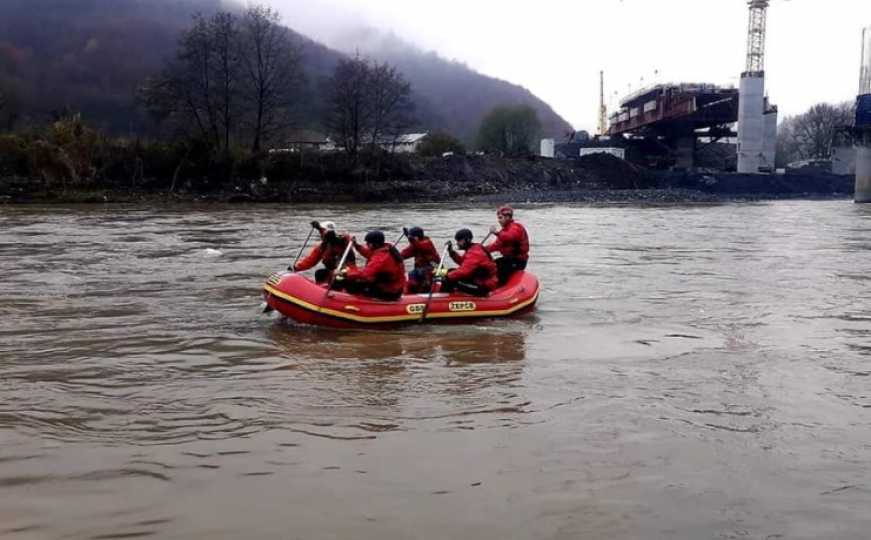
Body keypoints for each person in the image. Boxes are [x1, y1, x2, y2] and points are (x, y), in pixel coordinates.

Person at [336, 230, 406, 301]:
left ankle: (355, 302)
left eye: (368, 243)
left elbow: (365, 274)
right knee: (356, 279)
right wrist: (356, 245)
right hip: (389, 285)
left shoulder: (381, 257)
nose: (367, 244)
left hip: (389, 290)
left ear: (375, 244)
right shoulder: (385, 249)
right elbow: (369, 254)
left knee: (352, 284)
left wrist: (344, 274)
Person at [436, 228, 498, 297]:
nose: (457, 243)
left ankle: (443, 301)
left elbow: (463, 271)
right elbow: (463, 262)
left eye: (459, 241)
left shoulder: (475, 253)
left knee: (451, 279)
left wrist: (447, 277)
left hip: (484, 286)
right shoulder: (472, 249)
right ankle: (445, 295)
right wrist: (451, 252)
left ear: (467, 240)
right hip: (478, 280)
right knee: (451, 271)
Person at [290, 220, 356, 284]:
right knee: (319, 274)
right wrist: (296, 268)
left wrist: (344, 273)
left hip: (345, 271)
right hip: (332, 270)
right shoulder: (323, 246)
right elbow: (311, 260)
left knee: (338, 279)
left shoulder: (343, 242)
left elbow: (347, 239)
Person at [486, 205, 529, 285]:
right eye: (498, 218)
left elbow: (510, 237)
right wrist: (481, 249)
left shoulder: (516, 227)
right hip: (508, 259)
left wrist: (496, 233)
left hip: (518, 261)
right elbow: (496, 245)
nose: (499, 221)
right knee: (490, 266)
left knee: (501, 271)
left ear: (508, 217)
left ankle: (500, 288)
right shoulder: (504, 231)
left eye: (500, 218)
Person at [401, 226, 441, 293]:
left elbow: (419, 246)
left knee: (418, 272)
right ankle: (412, 291)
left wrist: (409, 237)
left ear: (416, 237)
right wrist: (393, 254)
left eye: (412, 237)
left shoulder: (427, 243)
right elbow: (403, 254)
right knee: (414, 273)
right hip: (424, 270)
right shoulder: (414, 245)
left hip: (438, 269)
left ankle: (425, 289)